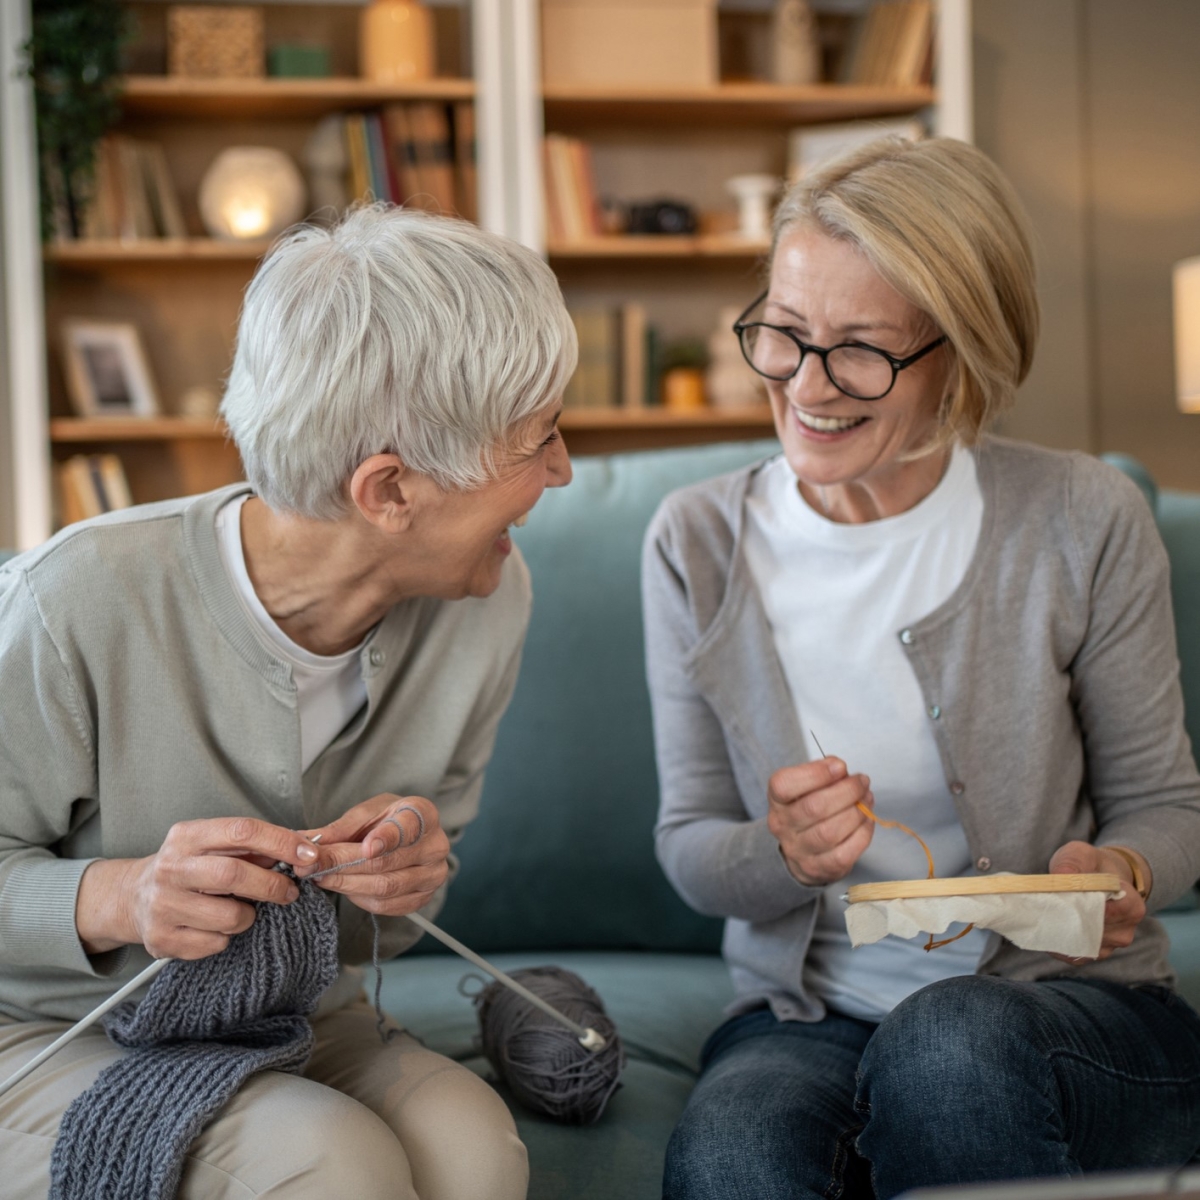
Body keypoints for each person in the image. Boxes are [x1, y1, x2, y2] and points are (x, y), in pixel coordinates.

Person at [642, 137, 1200, 1200]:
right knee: (733, 1154)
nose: (807, 386)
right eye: (785, 334)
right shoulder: (694, 542)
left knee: (950, 1046)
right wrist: (783, 856)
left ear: (966, 354)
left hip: (1066, 1011)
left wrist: (1120, 875)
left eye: (860, 350)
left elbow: (1167, 807)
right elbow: (689, 845)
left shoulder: (1082, 517)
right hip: (808, 1021)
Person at [0, 205, 575, 1200]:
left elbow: (383, 937)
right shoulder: (74, 600)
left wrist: (408, 874)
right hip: (49, 1028)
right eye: (541, 442)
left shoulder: (487, 600)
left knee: (473, 1152)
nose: (565, 470)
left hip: (294, 1010)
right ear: (389, 490)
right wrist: (122, 896)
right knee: (331, 1163)